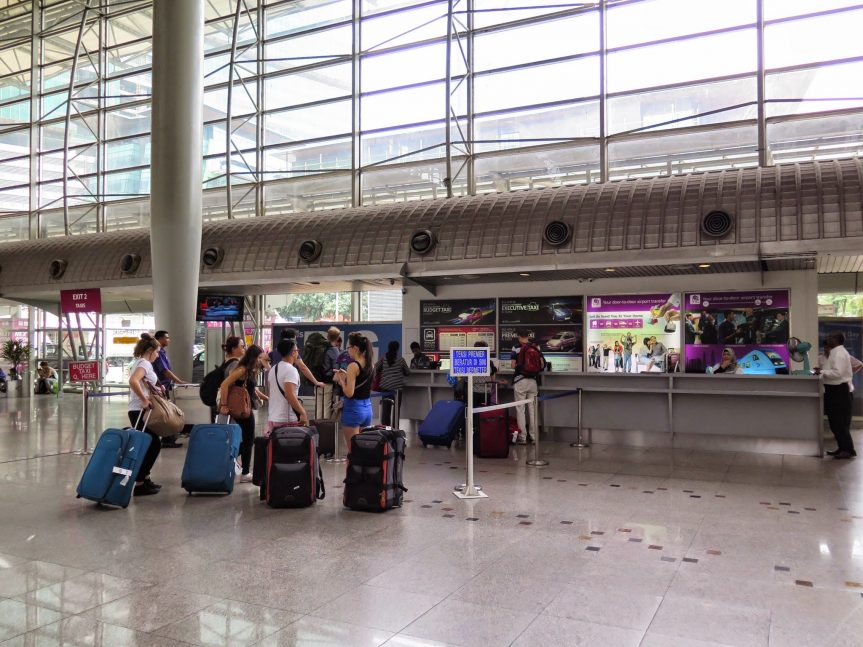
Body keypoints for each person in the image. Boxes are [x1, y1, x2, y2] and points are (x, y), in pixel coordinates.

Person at [218, 345, 270, 482]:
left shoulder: (250, 370)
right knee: (249, 438)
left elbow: (250, 388)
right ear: (253, 357)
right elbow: (224, 384)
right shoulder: (242, 369)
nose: (260, 360)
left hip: (243, 407)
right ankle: (244, 471)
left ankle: (229, 458)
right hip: (239, 408)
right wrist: (223, 405)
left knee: (248, 439)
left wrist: (265, 397)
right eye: (259, 357)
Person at [127, 336, 164, 497]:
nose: (158, 355)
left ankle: (145, 478)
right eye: (157, 352)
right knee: (153, 444)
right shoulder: (144, 363)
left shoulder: (141, 363)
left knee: (151, 443)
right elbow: (133, 381)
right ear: (150, 351)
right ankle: (140, 482)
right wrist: (143, 399)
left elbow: (141, 382)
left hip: (140, 409)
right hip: (140, 410)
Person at [815, 332, 855, 459]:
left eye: (830, 337)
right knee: (834, 422)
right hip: (832, 390)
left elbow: (837, 374)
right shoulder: (835, 352)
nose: (827, 338)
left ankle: (848, 450)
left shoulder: (839, 353)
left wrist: (821, 372)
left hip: (839, 391)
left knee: (840, 423)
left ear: (836, 340)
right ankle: (841, 448)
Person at [333, 332, 374, 446]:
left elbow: (349, 393)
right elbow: (361, 382)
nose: (348, 350)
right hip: (367, 408)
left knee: (353, 451)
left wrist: (341, 381)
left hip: (353, 409)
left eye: (349, 347)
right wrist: (347, 375)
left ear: (355, 348)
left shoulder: (353, 366)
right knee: (362, 449)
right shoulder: (370, 364)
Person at [150, 331, 188, 448]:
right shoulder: (159, 353)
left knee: (167, 411)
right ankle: (166, 438)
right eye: (166, 338)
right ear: (159, 339)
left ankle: (167, 437)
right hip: (161, 387)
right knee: (166, 412)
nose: (169, 340)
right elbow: (165, 371)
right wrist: (179, 381)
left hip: (164, 386)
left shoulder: (162, 352)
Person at [510, 329, 545, 445]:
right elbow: (542, 365)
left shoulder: (516, 347)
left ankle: (522, 437)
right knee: (532, 409)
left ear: (519, 337)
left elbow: (512, 365)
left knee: (520, 409)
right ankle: (534, 436)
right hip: (533, 381)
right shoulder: (536, 347)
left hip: (520, 380)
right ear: (528, 336)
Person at [267, 339, 308, 434]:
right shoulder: (291, 370)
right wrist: (302, 412)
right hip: (286, 419)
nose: (297, 353)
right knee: (289, 448)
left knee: (275, 448)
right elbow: (289, 395)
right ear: (293, 352)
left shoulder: (273, 369)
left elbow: (272, 392)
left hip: (273, 418)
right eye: (297, 351)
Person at [209, 336, 245, 422]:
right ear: (234, 349)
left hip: (225, 401)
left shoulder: (226, 361)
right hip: (232, 404)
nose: (244, 348)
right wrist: (225, 405)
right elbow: (227, 384)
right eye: (242, 346)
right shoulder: (235, 364)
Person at [374, 340, 410, 423]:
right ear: (397, 349)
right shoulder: (401, 360)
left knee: (386, 410)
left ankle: (385, 429)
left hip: (385, 387)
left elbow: (375, 368)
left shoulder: (384, 359)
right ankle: (395, 429)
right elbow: (408, 372)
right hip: (397, 389)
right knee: (396, 410)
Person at [320, 326, 342, 418]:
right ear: (337, 338)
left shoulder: (322, 348)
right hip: (327, 382)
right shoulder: (334, 350)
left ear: (328, 336)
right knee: (326, 408)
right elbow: (336, 368)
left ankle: (318, 428)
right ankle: (325, 430)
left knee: (319, 407)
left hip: (317, 380)